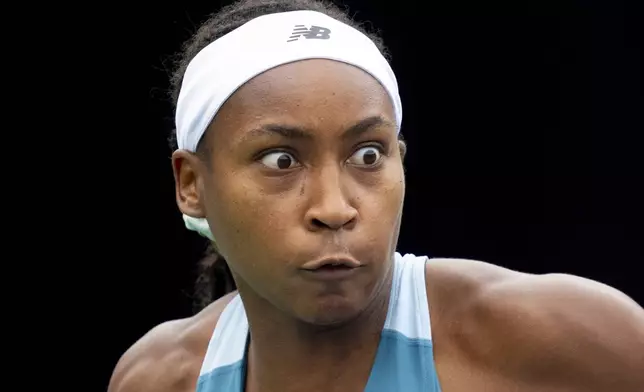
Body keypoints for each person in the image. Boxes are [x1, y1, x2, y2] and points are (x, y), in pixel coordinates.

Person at [110, 0, 644, 391]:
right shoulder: (157, 378)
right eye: (281, 160)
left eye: (367, 155)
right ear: (191, 185)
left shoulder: (572, 340)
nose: (335, 208)